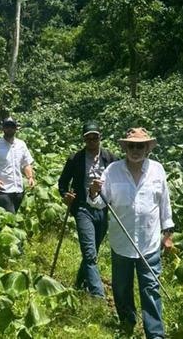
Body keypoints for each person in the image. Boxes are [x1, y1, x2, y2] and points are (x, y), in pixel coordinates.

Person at [87, 127, 174, 338]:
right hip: (121, 243)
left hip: (149, 243)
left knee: (151, 289)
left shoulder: (157, 170)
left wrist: (168, 234)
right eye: (132, 146)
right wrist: (93, 192)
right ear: (125, 148)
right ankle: (127, 323)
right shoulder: (112, 171)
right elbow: (99, 204)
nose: (136, 150)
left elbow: (164, 203)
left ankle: (155, 333)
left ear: (147, 148)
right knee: (122, 288)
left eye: (140, 146)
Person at [58, 122, 118, 298]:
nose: (91, 141)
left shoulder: (110, 158)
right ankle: (98, 294)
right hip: (83, 208)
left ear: (100, 137)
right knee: (90, 253)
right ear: (84, 139)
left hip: (103, 208)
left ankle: (80, 282)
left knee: (93, 251)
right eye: (88, 138)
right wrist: (65, 195)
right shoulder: (75, 159)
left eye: (95, 137)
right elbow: (63, 183)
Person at [0, 117, 35, 214]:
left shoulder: (21, 145)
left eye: (12, 126)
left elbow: (26, 163)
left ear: (16, 129)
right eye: (7, 126)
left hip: (18, 190)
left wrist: (30, 177)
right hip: (2, 190)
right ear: (3, 129)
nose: (9, 129)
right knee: (11, 217)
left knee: (9, 218)